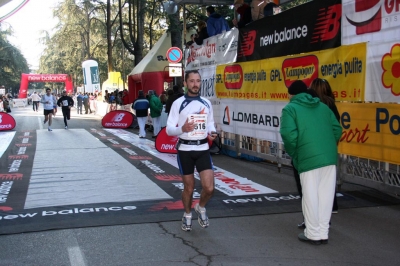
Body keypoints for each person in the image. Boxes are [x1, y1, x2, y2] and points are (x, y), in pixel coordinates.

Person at [280, 80, 342, 245]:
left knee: (310, 195)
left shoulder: (290, 109)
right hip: (328, 156)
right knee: (326, 195)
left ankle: (313, 233)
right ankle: (323, 232)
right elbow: (337, 129)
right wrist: (327, 145)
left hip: (307, 156)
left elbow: (288, 135)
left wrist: (296, 154)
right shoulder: (323, 107)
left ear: (291, 95)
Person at [166, 70, 218, 232]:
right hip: (185, 150)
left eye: (198, 81)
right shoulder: (178, 103)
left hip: (202, 148)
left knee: (209, 188)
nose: (195, 84)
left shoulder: (206, 103)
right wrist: (182, 128)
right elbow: (168, 129)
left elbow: (210, 123)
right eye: (192, 81)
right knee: (189, 187)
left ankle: (200, 207)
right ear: (185, 83)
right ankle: (187, 214)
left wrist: (212, 132)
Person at [310, 78, 340, 213]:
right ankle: (332, 205)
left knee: (314, 177)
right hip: (329, 145)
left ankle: (320, 207)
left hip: (315, 144)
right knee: (328, 177)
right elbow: (336, 127)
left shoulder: (314, 106)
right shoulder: (331, 104)